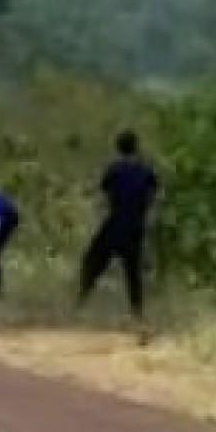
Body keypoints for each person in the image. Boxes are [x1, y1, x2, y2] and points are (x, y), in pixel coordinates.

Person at [79, 130, 159, 318]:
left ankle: (80, 304)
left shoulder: (113, 169)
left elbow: (104, 192)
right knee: (133, 272)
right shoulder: (145, 169)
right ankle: (137, 315)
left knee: (92, 263)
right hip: (136, 226)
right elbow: (155, 192)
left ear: (118, 147)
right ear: (136, 146)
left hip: (115, 223)